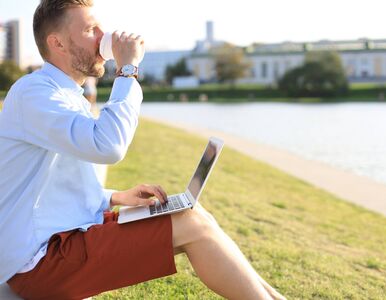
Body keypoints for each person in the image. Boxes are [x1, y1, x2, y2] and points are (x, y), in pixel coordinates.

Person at [0, 1, 286, 299]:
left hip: (61, 238)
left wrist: (114, 197)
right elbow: (108, 145)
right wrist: (127, 71)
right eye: (90, 30)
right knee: (190, 223)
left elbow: (47, 186)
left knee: (193, 213)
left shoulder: (62, 94)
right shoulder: (35, 93)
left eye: (100, 27)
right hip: (38, 261)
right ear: (57, 43)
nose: (103, 36)